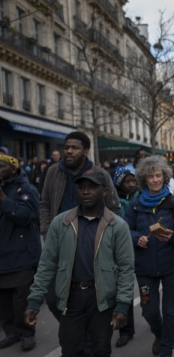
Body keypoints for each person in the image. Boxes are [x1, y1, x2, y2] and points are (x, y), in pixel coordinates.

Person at [25, 170, 134, 357]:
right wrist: (35, 300)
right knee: (71, 350)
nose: (85, 191)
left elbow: (126, 268)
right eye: (81, 186)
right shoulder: (61, 222)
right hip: (72, 295)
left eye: (92, 187)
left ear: (104, 192)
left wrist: (123, 304)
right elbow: (46, 264)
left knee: (101, 348)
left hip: (102, 297)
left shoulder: (118, 226)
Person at [40, 132, 120, 322]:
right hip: (60, 244)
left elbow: (114, 207)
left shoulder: (100, 174)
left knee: (91, 298)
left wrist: (104, 238)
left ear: (85, 151)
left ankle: (86, 337)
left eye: (74, 148)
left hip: (91, 246)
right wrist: (47, 232)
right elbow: (44, 204)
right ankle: (74, 328)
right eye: (66, 147)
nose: (69, 151)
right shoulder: (53, 171)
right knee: (53, 298)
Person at [124, 156, 174, 357]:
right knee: (148, 311)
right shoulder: (135, 206)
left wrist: (173, 236)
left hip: (172, 267)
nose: (154, 180)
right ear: (144, 179)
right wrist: (136, 239)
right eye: (150, 176)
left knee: (170, 311)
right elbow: (126, 231)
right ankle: (160, 335)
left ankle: (167, 353)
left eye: (158, 175)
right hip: (145, 267)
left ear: (165, 177)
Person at [0, 152, 41, 351]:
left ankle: (27, 333)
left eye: (1, 166)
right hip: (2, 255)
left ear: (13, 169)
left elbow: (27, 216)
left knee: (21, 300)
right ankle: (12, 333)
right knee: (4, 301)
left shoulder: (26, 189)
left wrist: (3, 199)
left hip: (22, 255)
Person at [112, 166, 140, 348]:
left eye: (133, 181)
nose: (131, 185)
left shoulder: (141, 199)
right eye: (126, 182)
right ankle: (125, 330)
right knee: (124, 290)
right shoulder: (113, 202)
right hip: (120, 252)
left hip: (140, 249)